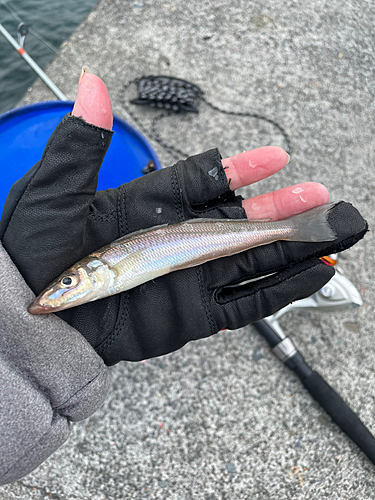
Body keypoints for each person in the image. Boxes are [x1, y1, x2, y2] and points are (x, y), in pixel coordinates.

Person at [0, 72, 367, 485]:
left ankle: (294, 228)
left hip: (195, 242)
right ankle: (293, 228)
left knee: (272, 237)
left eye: (67, 283)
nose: (59, 291)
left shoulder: (104, 274)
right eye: (65, 286)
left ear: (94, 272)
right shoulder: (89, 283)